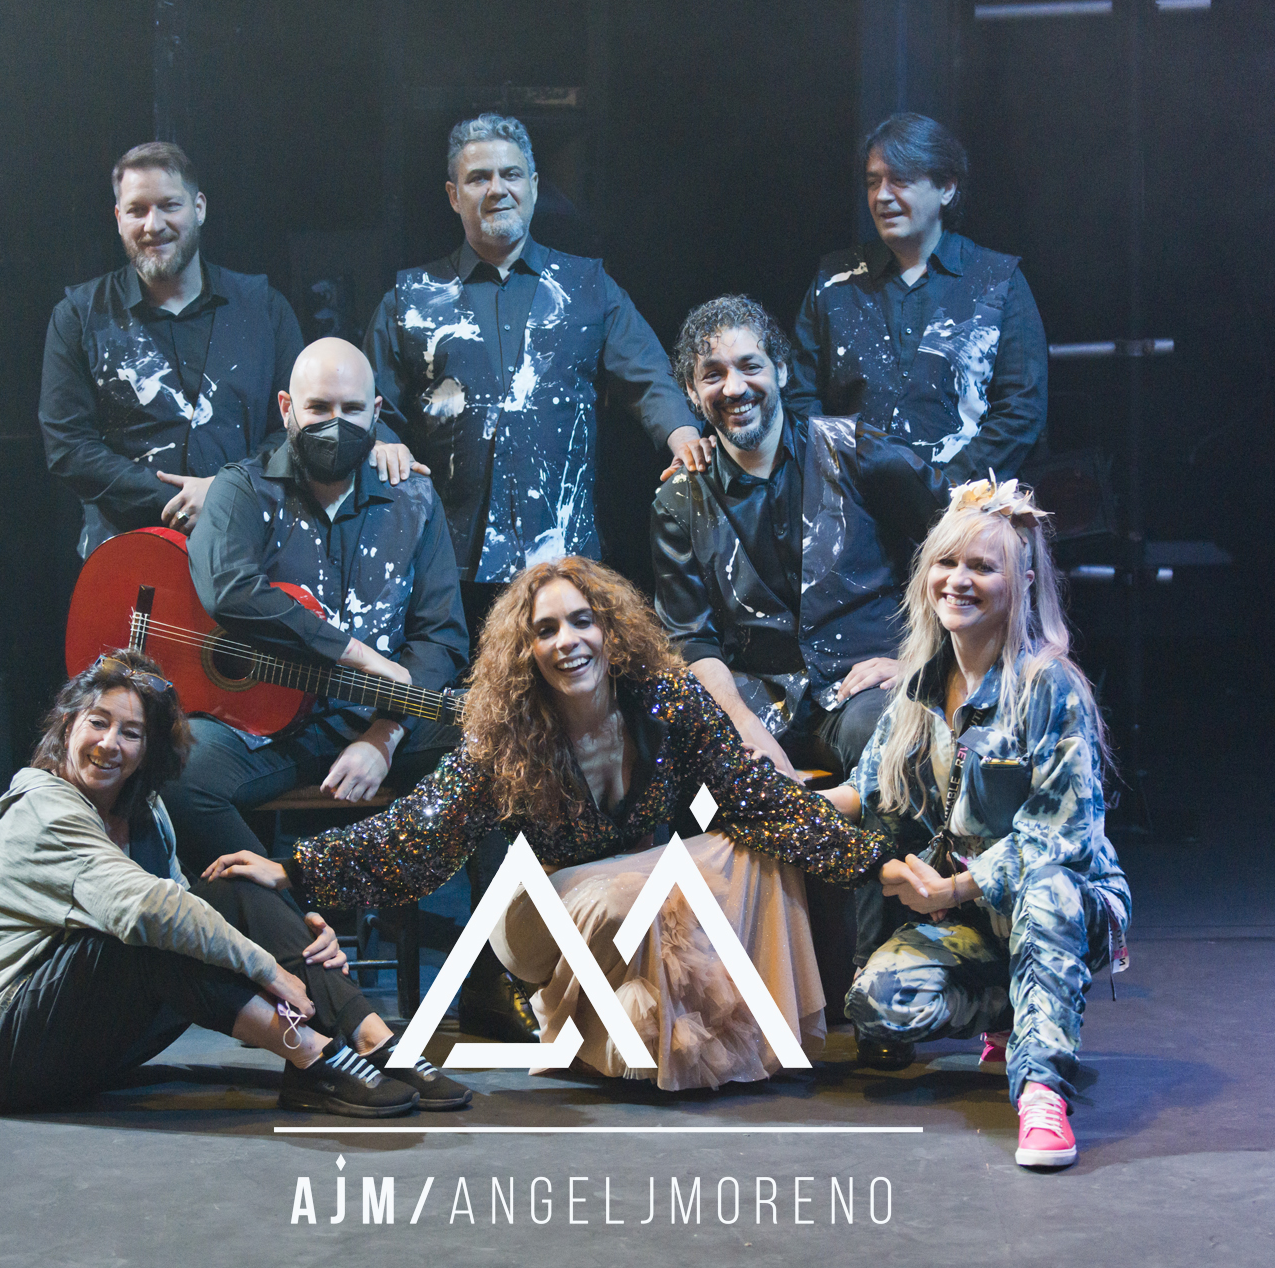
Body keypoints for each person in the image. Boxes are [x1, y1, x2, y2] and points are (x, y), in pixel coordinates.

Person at [202, 558, 890, 1091]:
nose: (568, 642)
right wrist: (294, 868)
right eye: (546, 630)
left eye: (582, 621)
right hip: (544, 913)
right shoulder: (508, 730)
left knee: (753, 844)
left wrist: (876, 863)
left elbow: (754, 796)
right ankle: (592, 1022)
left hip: (640, 906)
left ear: (611, 630)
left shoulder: (668, 701)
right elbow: (421, 829)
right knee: (637, 891)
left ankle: (641, 1032)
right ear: (526, 649)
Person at [0, 649, 472, 1117]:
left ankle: (373, 1037)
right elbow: (147, 912)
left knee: (235, 883)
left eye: (131, 733)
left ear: (149, 750)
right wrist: (271, 971)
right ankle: (313, 1057)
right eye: (97, 722)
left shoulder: (145, 812)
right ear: (68, 726)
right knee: (154, 929)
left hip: (85, 1046)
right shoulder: (42, 810)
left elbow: (197, 913)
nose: (109, 743)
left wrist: (298, 940)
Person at [821, 479, 1130, 1169]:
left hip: (1062, 900)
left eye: (981, 567)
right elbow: (862, 791)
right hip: (971, 917)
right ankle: (1014, 1007)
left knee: (1047, 888)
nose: (957, 580)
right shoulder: (919, 684)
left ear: (1022, 582)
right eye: (946, 562)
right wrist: (764, 802)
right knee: (879, 1004)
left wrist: (954, 888)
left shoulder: (1050, 686)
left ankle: (1043, 1091)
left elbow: (1062, 839)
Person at [157, 337, 468, 883]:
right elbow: (230, 589)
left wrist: (384, 734)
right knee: (176, 774)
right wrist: (357, 655)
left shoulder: (415, 499)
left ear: (375, 412)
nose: (335, 424)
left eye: (352, 409)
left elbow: (440, 635)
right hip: (268, 726)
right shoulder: (240, 489)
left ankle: (489, 936)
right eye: (319, 408)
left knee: (505, 747)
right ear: (287, 408)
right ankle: (289, 912)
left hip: (384, 717)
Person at [364, 113, 709, 597]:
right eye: (478, 178)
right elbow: (366, 405)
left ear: (534, 185)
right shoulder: (411, 296)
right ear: (453, 195)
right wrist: (382, 440)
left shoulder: (588, 286)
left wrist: (683, 436)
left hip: (567, 557)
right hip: (447, 564)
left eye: (511, 174)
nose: (497, 189)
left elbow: (649, 376)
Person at [40, 141, 416, 559]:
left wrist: (226, 492)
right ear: (118, 218)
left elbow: (296, 424)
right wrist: (176, 500)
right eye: (137, 210)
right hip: (126, 559)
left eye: (169, 205)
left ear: (199, 208)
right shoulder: (79, 316)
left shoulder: (264, 308)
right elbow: (68, 447)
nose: (153, 224)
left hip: (249, 550)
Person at [653, 294, 947, 786]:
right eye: (713, 374)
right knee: (688, 779)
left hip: (863, 691)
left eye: (750, 366)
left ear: (782, 371)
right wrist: (741, 724)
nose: (734, 387)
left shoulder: (859, 453)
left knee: (897, 739)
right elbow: (691, 639)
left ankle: (870, 837)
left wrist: (920, 664)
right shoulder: (678, 501)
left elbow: (964, 547)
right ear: (691, 391)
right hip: (757, 702)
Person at [787, 114, 1048, 484]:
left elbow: (1021, 410)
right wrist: (852, 478)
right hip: (853, 502)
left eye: (900, 180)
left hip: (963, 506)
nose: (882, 196)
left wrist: (944, 490)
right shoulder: (835, 280)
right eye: (873, 182)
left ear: (947, 189)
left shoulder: (998, 280)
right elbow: (800, 397)